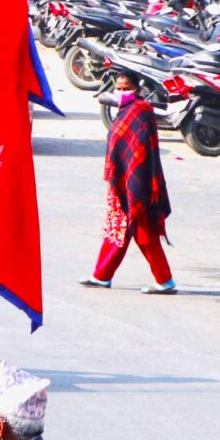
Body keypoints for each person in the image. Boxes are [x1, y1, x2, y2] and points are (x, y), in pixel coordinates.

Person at [88, 72, 176, 293]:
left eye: (126, 87)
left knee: (143, 230)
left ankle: (165, 280)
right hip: (122, 182)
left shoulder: (141, 111)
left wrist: (133, 183)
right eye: (118, 87)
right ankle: (102, 275)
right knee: (118, 229)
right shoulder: (124, 111)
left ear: (136, 88)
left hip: (138, 182)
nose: (121, 91)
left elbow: (140, 150)